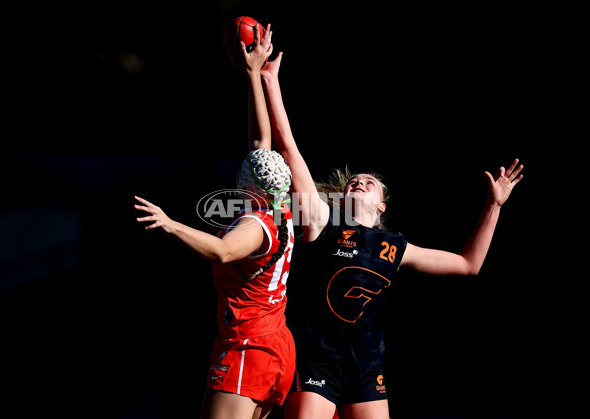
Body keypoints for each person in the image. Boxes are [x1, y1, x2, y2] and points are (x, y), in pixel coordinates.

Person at [258, 51, 524, 418]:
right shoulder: (320, 221)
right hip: (319, 363)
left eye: (369, 183)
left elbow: (468, 264)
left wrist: (493, 206)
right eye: (355, 180)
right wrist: (269, 80)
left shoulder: (394, 247)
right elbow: (288, 146)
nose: (358, 181)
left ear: (381, 206)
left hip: (366, 370)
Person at [135, 24, 296, 419]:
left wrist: (170, 223)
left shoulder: (255, 224)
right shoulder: (281, 207)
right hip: (275, 343)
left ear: (249, 184)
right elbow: (262, 143)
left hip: (248, 346)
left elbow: (224, 252)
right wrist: (253, 76)